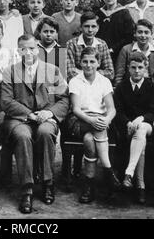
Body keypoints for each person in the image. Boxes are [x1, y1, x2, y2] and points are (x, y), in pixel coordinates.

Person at [1, 34, 69, 214]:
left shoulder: (52, 70)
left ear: (37, 49)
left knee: (46, 132)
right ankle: (27, 189)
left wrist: (50, 112)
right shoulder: (10, 71)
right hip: (20, 119)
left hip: (45, 117)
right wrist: (29, 114)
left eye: (31, 48)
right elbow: (6, 101)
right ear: (18, 51)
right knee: (23, 136)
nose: (28, 52)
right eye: (24, 49)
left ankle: (48, 182)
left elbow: (63, 99)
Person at [65, 46, 120, 204]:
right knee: (97, 128)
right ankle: (108, 171)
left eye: (92, 61)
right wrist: (93, 121)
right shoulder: (75, 81)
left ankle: (88, 186)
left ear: (98, 63)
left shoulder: (104, 81)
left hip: (100, 121)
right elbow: (75, 109)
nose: (88, 65)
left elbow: (111, 109)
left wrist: (107, 119)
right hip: (79, 120)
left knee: (89, 140)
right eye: (85, 62)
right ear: (80, 63)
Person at [113, 51, 154, 204]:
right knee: (140, 142)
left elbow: (153, 111)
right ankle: (140, 186)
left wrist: (141, 118)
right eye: (133, 67)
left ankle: (129, 174)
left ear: (145, 68)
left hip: (147, 126)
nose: (137, 71)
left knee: (141, 129)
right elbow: (117, 111)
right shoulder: (121, 87)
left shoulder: (152, 87)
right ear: (128, 68)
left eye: (140, 67)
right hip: (127, 128)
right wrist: (127, 123)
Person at [66, 11, 113, 82]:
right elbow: (70, 73)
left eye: (93, 26)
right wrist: (96, 72)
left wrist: (84, 72)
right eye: (86, 26)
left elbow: (110, 73)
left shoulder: (102, 44)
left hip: (97, 85)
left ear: (97, 28)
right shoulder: (71, 44)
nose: (90, 30)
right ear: (81, 27)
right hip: (78, 86)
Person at [96, 0, 135, 65]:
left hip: (119, 53)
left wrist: (113, 49)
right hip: (100, 53)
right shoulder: (99, 14)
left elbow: (129, 36)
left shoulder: (124, 13)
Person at [115, 19, 154, 86]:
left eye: (146, 32)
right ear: (134, 34)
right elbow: (119, 75)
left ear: (151, 34)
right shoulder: (126, 50)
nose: (143, 36)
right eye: (140, 32)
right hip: (130, 86)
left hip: (150, 86)